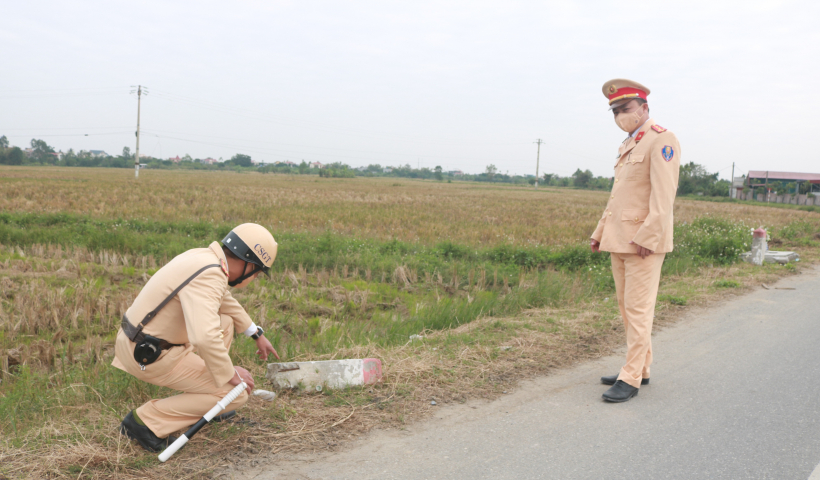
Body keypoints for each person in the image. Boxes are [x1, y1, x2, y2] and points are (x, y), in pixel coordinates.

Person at [113, 223, 281, 452]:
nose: (255, 277)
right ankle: (145, 422)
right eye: (258, 272)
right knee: (237, 393)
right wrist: (229, 373)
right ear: (249, 264)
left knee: (226, 321)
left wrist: (255, 333)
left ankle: (211, 403)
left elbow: (224, 300)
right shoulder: (211, 276)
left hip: (139, 341)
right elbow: (204, 338)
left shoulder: (204, 258)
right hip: (150, 355)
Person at [590, 79, 681, 403]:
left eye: (625, 108)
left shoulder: (662, 139)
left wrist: (650, 236)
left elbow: (664, 195)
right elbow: (619, 196)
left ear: (644, 108)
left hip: (643, 242)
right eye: (615, 111)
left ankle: (630, 378)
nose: (620, 115)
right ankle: (640, 367)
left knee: (639, 310)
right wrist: (600, 232)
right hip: (619, 239)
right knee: (627, 308)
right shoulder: (629, 144)